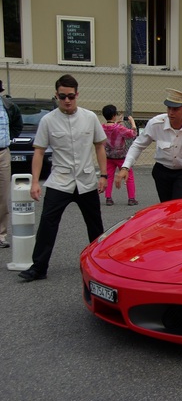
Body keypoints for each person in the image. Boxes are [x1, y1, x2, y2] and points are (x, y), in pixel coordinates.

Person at [18, 74, 108, 282]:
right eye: (62, 96)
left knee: (95, 225)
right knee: (48, 223)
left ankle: (101, 265)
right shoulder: (48, 121)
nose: (67, 100)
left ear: (77, 95)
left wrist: (103, 175)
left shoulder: (90, 117)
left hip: (86, 181)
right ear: (56, 96)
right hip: (60, 180)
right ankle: (39, 267)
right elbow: (39, 152)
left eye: (70, 96)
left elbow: (99, 147)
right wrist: (34, 182)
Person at [116, 88, 182, 203]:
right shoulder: (156, 124)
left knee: (177, 206)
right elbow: (138, 145)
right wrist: (125, 167)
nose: (171, 112)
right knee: (165, 207)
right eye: (169, 108)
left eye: (176, 109)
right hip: (162, 171)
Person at [0, 80, 24, 249]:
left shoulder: (8, 106)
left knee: (2, 196)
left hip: (3, 152)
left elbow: (17, 124)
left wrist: (9, 138)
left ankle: (1, 234)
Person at [101, 104, 138, 206]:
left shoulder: (101, 127)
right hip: (121, 157)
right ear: (114, 115)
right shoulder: (119, 128)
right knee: (129, 176)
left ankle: (108, 198)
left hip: (108, 156)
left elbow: (110, 130)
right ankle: (131, 198)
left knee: (108, 176)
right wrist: (132, 122)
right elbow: (132, 134)